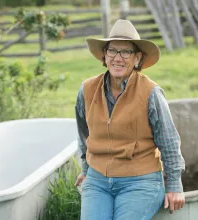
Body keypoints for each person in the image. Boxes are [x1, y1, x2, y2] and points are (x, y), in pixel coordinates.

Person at [74, 19, 185, 220]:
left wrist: (174, 185)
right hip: (98, 180)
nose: (118, 58)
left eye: (126, 52)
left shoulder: (151, 93)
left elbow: (168, 141)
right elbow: (84, 134)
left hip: (140, 181)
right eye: (112, 51)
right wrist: (86, 169)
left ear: (137, 58)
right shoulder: (87, 90)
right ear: (104, 56)